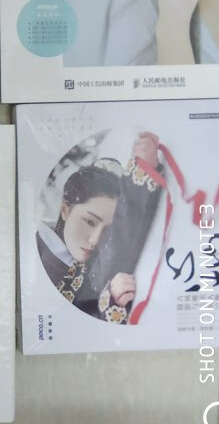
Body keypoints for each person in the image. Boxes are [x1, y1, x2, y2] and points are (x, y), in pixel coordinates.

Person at [37, 132, 163, 324]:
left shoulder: (88, 257)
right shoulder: (35, 257)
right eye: (89, 221)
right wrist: (109, 305)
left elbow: (118, 240)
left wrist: (142, 172)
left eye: (106, 230)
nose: (95, 240)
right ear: (65, 210)